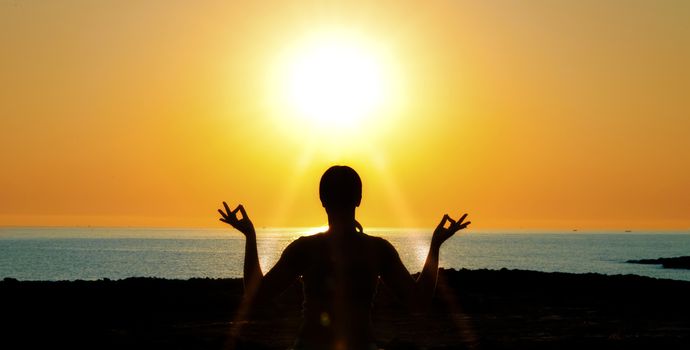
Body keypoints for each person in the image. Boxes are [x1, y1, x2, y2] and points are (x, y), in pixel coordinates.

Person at [218, 165, 470, 350]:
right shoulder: (378, 249)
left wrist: (250, 236)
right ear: (359, 199)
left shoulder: (306, 248)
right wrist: (435, 245)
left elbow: (256, 295)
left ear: (322, 200)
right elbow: (419, 302)